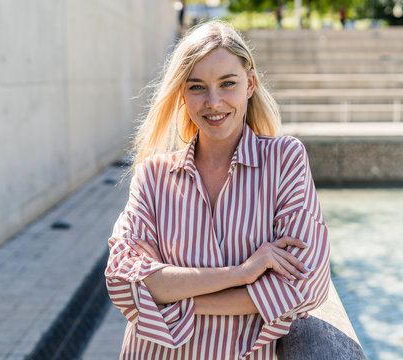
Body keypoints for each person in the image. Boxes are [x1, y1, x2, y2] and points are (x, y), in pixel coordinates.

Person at [105, 20, 330, 360]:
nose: (213, 101)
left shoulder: (284, 160)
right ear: (183, 93)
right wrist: (241, 274)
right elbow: (124, 280)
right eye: (197, 87)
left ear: (250, 84)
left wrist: (176, 297)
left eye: (227, 83)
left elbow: (304, 282)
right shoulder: (152, 175)